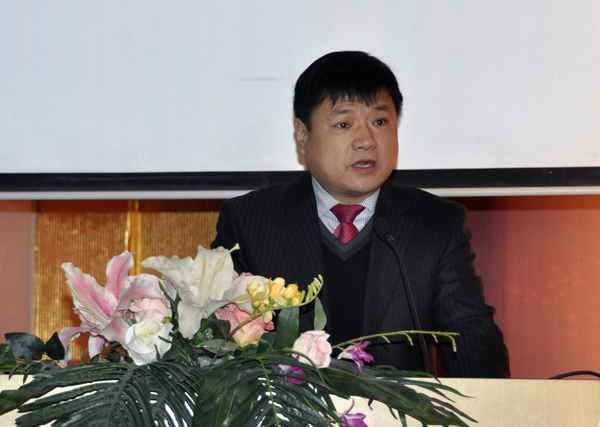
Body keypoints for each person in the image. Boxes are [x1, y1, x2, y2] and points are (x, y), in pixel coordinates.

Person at [211, 51, 510, 378]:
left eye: (380, 122)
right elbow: (218, 343)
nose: (367, 141)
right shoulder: (249, 221)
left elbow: (471, 339)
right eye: (344, 124)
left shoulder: (436, 224)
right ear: (303, 135)